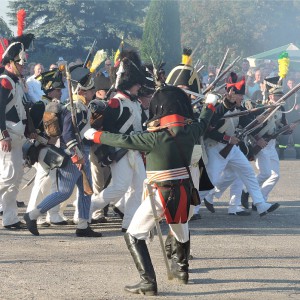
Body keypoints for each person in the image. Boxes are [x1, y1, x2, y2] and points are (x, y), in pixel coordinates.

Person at [84, 85, 216, 295]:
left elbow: (122, 139)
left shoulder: (154, 138)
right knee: (181, 232)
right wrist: (210, 103)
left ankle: (148, 282)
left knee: (134, 235)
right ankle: (182, 271)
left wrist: (95, 135)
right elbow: (204, 120)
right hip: (184, 192)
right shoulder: (191, 131)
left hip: (160, 195)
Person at [24, 64, 102, 237]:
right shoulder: (74, 108)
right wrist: (76, 155)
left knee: (86, 190)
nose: (93, 93)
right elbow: (67, 134)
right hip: (73, 155)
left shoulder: (83, 107)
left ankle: (83, 225)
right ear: (82, 91)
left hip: (83, 153)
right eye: (90, 91)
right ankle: (32, 215)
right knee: (63, 192)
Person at [201, 72, 280, 216]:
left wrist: (265, 115)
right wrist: (227, 139)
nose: (242, 98)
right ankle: (191, 209)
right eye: (239, 95)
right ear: (231, 93)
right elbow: (208, 131)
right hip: (215, 147)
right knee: (211, 180)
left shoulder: (239, 108)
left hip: (231, 148)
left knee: (248, 173)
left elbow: (249, 124)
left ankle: (260, 204)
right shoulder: (218, 109)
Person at [90, 50, 148, 232]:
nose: (139, 86)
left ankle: (129, 223)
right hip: (120, 150)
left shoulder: (136, 102)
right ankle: (86, 208)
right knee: (119, 188)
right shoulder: (116, 102)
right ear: (128, 82)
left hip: (136, 150)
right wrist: (109, 151)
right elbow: (107, 129)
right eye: (136, 84)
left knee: (140, 187)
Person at [25, 68, 72, 226]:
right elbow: (30, 130)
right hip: (42, 147)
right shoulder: (40, 106)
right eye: (57, 90)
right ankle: (37, 213)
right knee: (45, 181)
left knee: (53, 181)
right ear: (50, 90)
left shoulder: (57, 104)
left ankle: (50, 214)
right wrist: (44, 140)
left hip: (54, 146)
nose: (60, 92)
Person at [0, 34, 35, 229]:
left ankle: (10, 218)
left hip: (18, 135)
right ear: (11, 62)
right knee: (8, 177)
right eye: (20, 64)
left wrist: (30, 130)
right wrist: (2, 134)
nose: (23, 67)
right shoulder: (4, 81)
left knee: (13, 181)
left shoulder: (16, 82)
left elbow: (22, 110)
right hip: (8, 136)